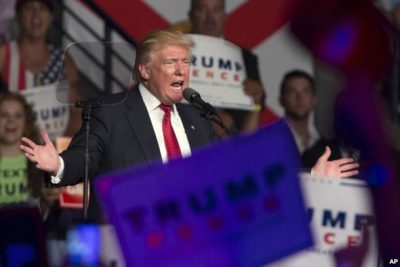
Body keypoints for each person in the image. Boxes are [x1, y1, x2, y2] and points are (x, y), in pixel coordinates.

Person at [20, 30, 359, 223]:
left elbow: (238, 176)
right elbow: (84, 157)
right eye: (172, 62)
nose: (183, 70)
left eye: (186, 62)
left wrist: (310, 179)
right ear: (145, 71)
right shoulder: (110, 112)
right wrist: (58, 165)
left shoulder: (198, 118)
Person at [0, 0, 82, 137]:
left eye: (42, 8)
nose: (36, 15)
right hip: (14, 152)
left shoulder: (64, 61)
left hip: (53, 152)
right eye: (29, 8)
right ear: (18, 16)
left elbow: (78, 111)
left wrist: (62, 149)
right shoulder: (4, 55)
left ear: (50, 17)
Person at [188, 0, 269, 136]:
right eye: (202, 9)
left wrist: (230, 118)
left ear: (225, 17)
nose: (209, 17)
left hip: (228, 141)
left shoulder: (244, 57)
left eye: (216, 10)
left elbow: (258, 100)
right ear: (191, 15)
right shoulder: (171, 53)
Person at [278, 69, 353, 169]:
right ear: (281, 100)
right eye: (292, 91)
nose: (299, 98)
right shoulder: (270, 143)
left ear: (314, 99)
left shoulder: (331, 148)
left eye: (305, 91)